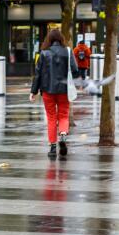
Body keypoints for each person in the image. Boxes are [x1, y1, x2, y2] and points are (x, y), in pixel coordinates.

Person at [29, 29, 79, 160]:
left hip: (48, 90)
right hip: (64, 90)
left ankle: (52, 147)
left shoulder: (44, 53)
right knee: (63, 115)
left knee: (51, 118)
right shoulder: (68, 52)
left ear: (49, 39)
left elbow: (38, 74)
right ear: (61, 39)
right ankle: (62, 135)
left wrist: (33, 91)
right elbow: (74, 69)